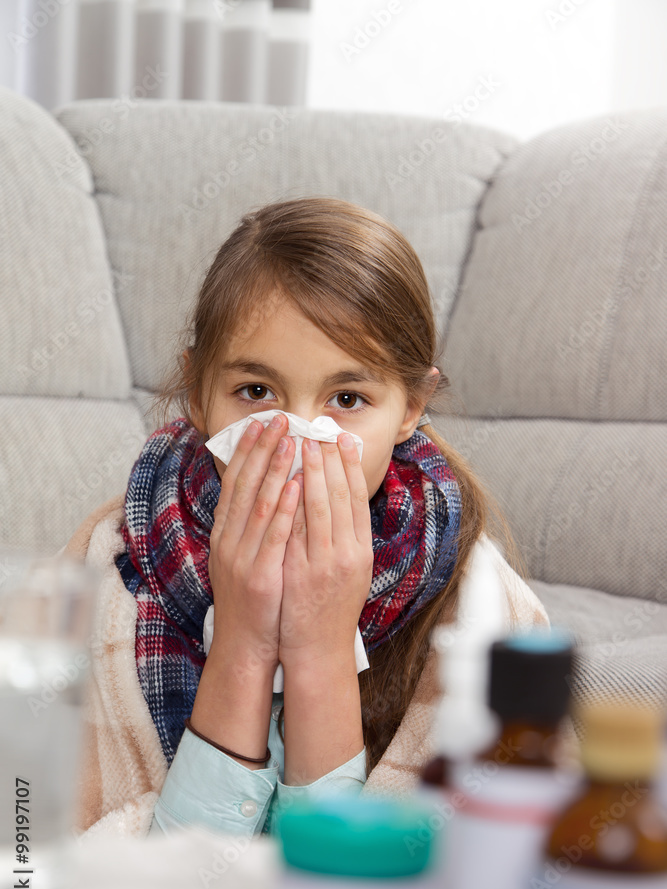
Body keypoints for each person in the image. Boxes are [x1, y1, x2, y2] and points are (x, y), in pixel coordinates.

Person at [65, 197, 549, 840]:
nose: (297, 439)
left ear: (411, 407)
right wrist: (242, 644)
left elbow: (364, 882)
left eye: (347, 398)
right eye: (256, 392)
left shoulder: (478, 604)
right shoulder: (108, 572)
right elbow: (139, 876)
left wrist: (321, 651)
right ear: (198, 393)